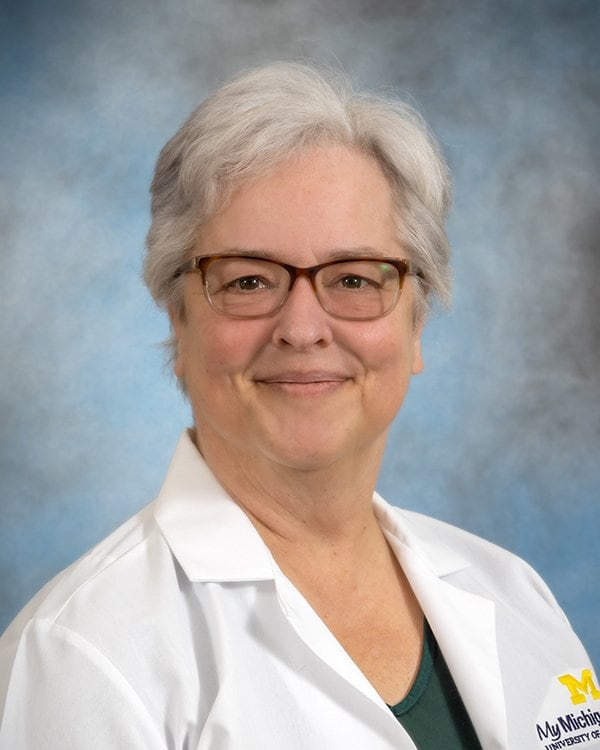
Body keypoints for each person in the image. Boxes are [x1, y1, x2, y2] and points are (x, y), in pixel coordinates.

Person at [0, 62, 596, 750]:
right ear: (179, 321)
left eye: (353, 278)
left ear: (417, 324)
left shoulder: (513, 593)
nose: (304, 328)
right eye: (249, 280)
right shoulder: (81, 656)